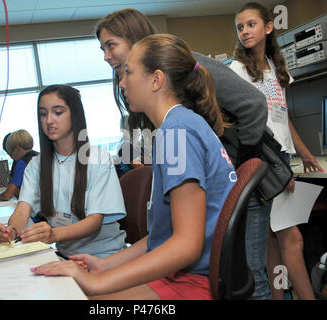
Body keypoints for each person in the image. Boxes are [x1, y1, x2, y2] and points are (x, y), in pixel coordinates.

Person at [31, 34, 236, 300]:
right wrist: (106, 265)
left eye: (128, 72)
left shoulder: (177, 132)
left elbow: (186, 245)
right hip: (184, 274)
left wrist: (98, 283)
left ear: (156, 79)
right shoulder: (180, 126)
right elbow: (164, 238)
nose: (122, 83)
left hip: (193, 282)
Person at [229, 2, 324, 300]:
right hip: (263, 162)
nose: (245, 31)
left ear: (269, 27)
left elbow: (282, 116)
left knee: (274, 240)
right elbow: (244, 124)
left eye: (251, 24)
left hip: (281, 158)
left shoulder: (274, 67)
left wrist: (304, 152)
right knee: (292, 239)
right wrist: (276, 171)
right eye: (240, 27)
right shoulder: (238, 70)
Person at [95, 8, 269, 168]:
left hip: (236, 176)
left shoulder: (184, 64)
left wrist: (244, 167)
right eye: (103, 49)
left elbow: (254, 104)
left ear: (134, 39)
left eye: (111, 45)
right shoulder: (141, 88)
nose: (106, 57)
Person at [0, 85, 127, 258]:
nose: (49, 120)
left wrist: (54, 234)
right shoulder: (36, 166)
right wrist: (10, 231)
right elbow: (22, 210)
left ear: (75, 115)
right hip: (64, 258)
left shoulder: (98, 160)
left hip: (105, 257)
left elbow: (94, 222)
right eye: (43, 113)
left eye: (58, 112)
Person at [0, 129, 39, 201]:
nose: (12, 157)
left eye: (11, 153)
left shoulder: (22, 163)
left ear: (18, 148)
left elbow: (7, 196)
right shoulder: (40, 156)